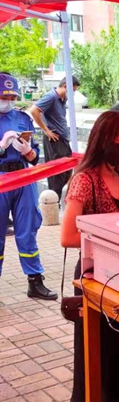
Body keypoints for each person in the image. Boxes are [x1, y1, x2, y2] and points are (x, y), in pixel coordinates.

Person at [61, 111, 119, 402]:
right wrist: (109, 238)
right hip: (94, 274)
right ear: (103, 139)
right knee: (96, 347)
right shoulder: (85, 179)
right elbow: (67, 236)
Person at [0, 73, 57, 300]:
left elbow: (34, 158)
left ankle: (35, 281)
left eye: (13, 97)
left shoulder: (23, 118)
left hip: (23, 178)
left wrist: (28, 151)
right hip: (1, 180)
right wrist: (2, 146)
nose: (9, 101)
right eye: (4, 97)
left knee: (28, 231)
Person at [29, 76, 80, 204]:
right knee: (57, 175)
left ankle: (57, 203)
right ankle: (52, 206)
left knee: (66, 172)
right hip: (54, 141)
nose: (73, 93)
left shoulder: (62, 100)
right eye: (73, 90)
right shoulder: (51, 96)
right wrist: (46, 130)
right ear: (65, 86)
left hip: (63, 140)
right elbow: (34, 110)